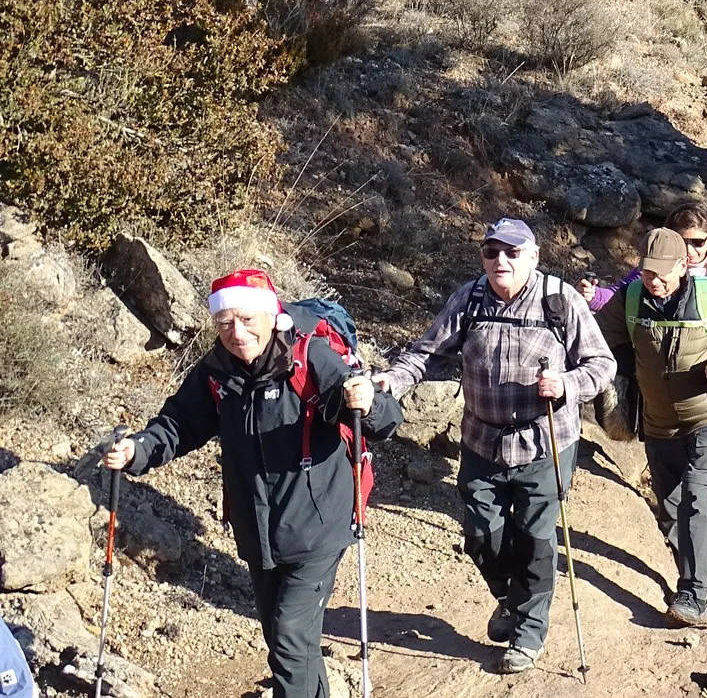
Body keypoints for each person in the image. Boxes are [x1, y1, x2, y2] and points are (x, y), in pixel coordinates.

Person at [103, 269, 403, 698]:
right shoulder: (216, 371)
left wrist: (368, 402)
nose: (236, 332)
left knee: (289, 638)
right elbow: (179, 424)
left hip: (317, 526)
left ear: (270, 313)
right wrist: (138, 450)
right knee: (290, 642)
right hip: (256, 531)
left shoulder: (310, 357)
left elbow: (383, 417)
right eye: (225, 323)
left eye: (246, 319)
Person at [375, 219, 615, 675]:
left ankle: (528, 631)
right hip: (482, 440)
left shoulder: (560, 301)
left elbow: (602, 364)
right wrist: (393, 379)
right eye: (491, 252)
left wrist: (565, 383)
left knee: (534, 539)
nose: (499, 261)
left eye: (511, 252)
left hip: (545, 441)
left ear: (533, 256)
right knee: (481, 536)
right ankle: (510, 598)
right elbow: (426, 353)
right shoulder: (469, 298)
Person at [598, 228, 707, 627]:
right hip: (658, 424)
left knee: (696, 497)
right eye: (645, 272)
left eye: (660, 273)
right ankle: (693, 566)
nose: (652, 281)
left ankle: (695, 593)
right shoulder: (631, 298)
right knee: (671, 508)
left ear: (682, 265)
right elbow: (597, 337)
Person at [581, 205, 707, 360]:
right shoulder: (657, 266)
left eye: (697, 242)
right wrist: (593, 294)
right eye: (682, 241)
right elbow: (621, 294)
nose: (689, 250)